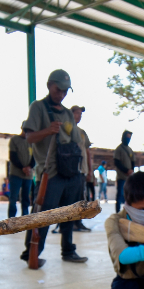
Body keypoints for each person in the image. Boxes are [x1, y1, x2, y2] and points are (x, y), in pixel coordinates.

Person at [19, 69, 88, 266]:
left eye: (65, 91)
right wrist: (48, 130)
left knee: (70, 213)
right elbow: (29, 137)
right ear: (50, 86)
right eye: (59, 89)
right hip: (50, 173)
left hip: (71, 172)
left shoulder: (67, 113)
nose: (62, 94)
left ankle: (68, 251)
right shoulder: (38, 108)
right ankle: (31, 253)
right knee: (42, 216)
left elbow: (76, 142)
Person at [71, 105, 92, 232]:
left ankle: (78, 222)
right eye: (77, 113)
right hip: (71, 170)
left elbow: (88, 151)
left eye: (81, 114)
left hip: (82, 170)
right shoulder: (66, 130)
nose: (80, 116)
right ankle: (68, 223)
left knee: (80, 197)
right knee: (70, 199)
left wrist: (90, 170)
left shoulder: (82, 132)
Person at [7, 127, 34, 218]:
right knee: (13, 197)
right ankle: (11, 218)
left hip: (28, 175)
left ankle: (25, 217)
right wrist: (22, 168)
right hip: (16, 174)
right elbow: (13, 156)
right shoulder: (14, 140)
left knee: (26, 197)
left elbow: (34, 157)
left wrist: (29, 167)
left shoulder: (32, 142)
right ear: (22, 129)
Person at [113, 130, 134, 212]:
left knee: (129, 196)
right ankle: (117, 212)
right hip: (121, 177)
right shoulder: (119, 149)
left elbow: (133, 161)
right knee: (119, 195)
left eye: (130, 137)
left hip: (129, 178)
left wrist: (131, 171)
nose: (128, 139)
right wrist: (126, 170)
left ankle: (128, 212)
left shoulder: (130, 149)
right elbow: (117, 162)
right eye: (127, 137)